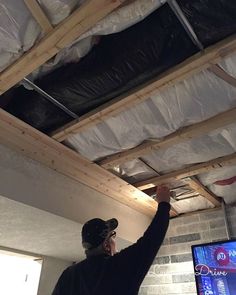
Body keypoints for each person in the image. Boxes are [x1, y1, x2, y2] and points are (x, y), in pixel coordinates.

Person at [52, 185, 171, 295]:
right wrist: (164, 203)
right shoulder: (118, 266)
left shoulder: (69, 275)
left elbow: (150, 241)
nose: (115, 240)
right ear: (106, 245)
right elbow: (151, 240)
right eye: (112, 236)